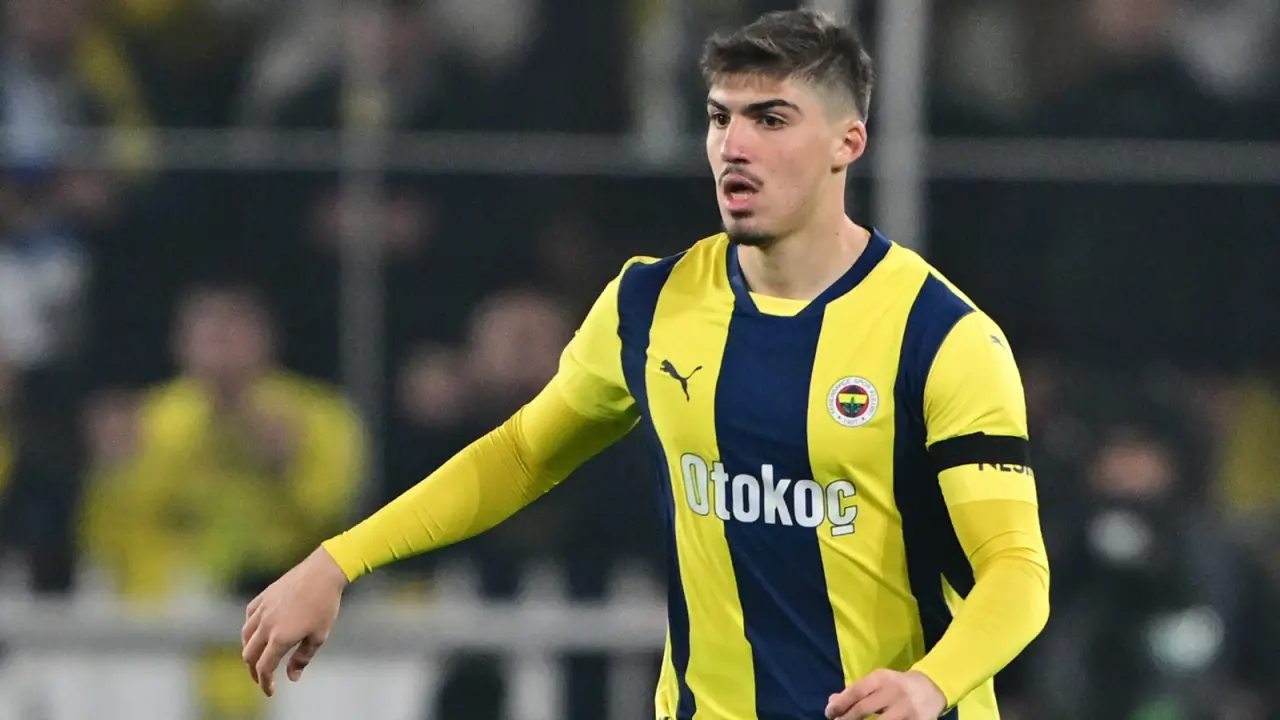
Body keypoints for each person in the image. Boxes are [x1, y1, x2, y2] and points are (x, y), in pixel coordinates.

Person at [240, 10, 1050, 720]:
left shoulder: (940, 337)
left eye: (771, 119)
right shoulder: (652, 304)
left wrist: (929, 684)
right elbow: (521, 454)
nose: (734, 146)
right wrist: (340, 560)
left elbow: (1015, 571)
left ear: (849, 142)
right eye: (720, 117)